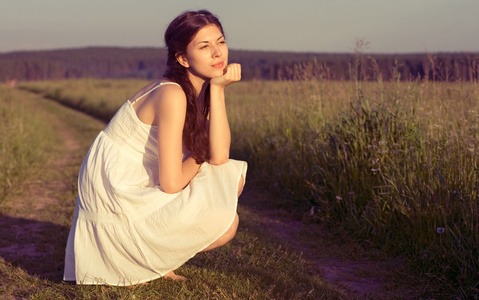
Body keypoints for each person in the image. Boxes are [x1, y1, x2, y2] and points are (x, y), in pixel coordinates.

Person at [63, 10, 247, 286]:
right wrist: (201, 156)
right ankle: (137, 260)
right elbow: (173, 183)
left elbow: (219, 157)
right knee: (226, 219)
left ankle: (154, 260)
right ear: (182, 58)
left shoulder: (201, 91)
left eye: (220, 42)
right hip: (118, 191)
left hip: (136, 182)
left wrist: (218, 90)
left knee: (231, 181)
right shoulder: (172, 93)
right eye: (204, 46)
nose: (217, 53)